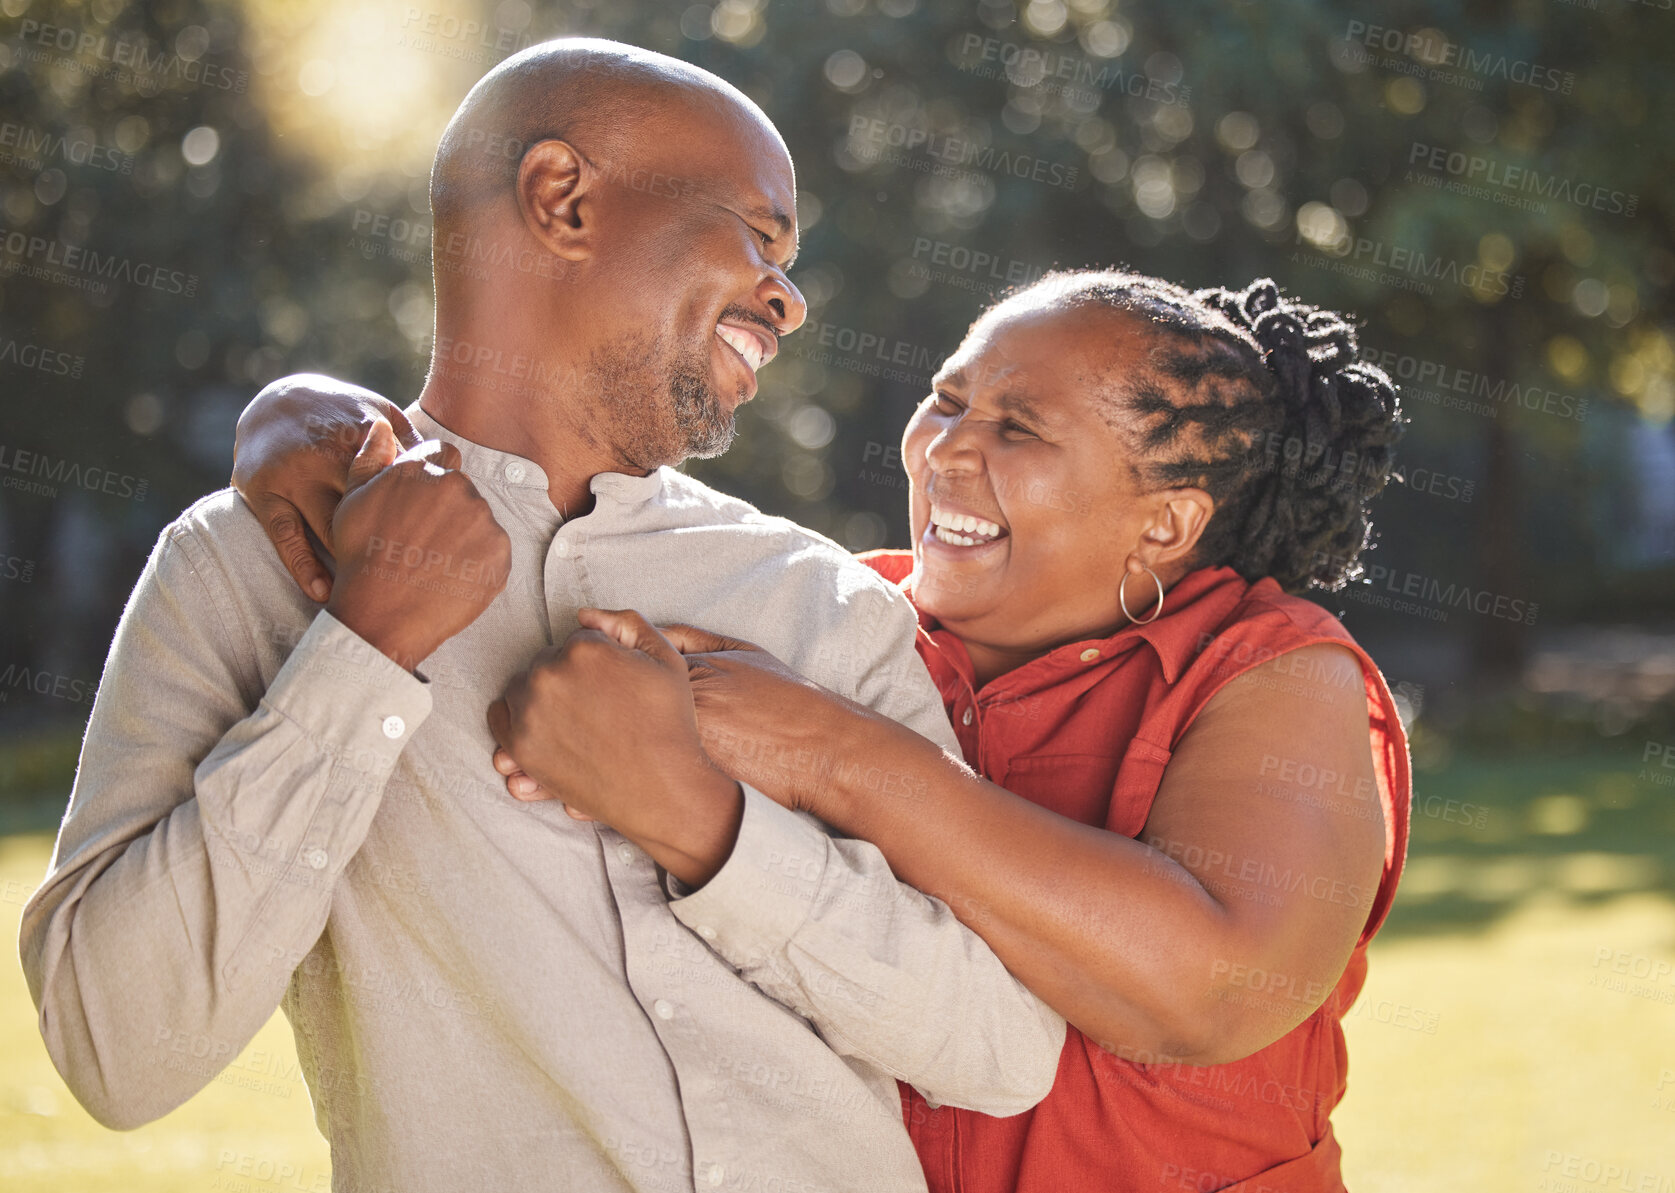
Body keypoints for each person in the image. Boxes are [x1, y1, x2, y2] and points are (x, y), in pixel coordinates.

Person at [18, 39, 1065, 1193]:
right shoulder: (248, 567)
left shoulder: (820, 600)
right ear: (562, 199)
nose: (790, 297)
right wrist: (362, 648)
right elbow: (116, 1053)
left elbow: (1002, 1051)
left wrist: (704, 824)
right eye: (760, 237)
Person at [236, 269, 1410, 1192]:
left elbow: (1209, 988)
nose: (946, 447)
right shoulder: (834, 611)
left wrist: (836, 755)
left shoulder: (1272, 668)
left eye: (1019, 428)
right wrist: (304, 414)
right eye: (947, 399)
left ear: (1164, 523)